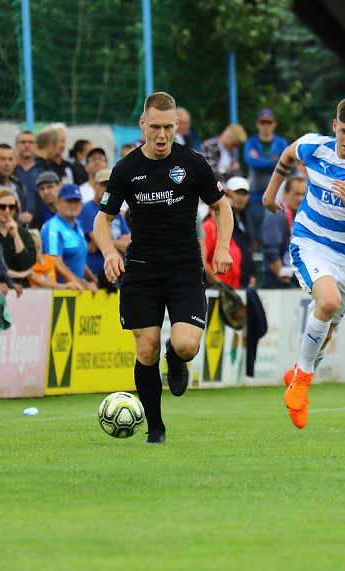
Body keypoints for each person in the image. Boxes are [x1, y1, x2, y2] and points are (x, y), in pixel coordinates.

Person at [93, 91, 233, 444]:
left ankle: (176, 357)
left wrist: (222, 247)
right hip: (142, 269)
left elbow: (223, 207)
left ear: (176, 127)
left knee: (185, 345)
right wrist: (110, 252)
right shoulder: (126, 169)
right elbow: (102, 220)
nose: (161, 135)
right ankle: (155, 428)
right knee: (146, 349)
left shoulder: (193, 162)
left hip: (185, 267)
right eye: (154, 127)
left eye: (168, 127)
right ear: (142, 124)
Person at [262, 96, 345, 429]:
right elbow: (289, 153)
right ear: (334, 126)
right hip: (310, 241)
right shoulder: (314, 147)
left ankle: (297, 375)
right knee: (328, 302)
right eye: (344, 132)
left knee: (328, 330)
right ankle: (304, 379)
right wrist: (270, 191)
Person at [79, 168, 130, 291]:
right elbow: (96, 239)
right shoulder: (88, 208)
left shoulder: (115, 211)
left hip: (116, 271)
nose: (106, 189)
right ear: (95, 186)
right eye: (103, 185)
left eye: (110, 185)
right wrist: (117, 241)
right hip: (95, 273)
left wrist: (105, 241)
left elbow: (129, 243)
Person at [41, 184, 98, 291]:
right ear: (58, 203)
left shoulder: (77, 225)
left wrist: (93, 280)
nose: (73, 205)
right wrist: (81, 284)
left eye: (76, 201)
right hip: (59, 292)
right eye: (69, 201)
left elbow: (78, 260)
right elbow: (55, 261)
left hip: (76, 290)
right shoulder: (53, 227)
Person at [243, 108, 288, 239]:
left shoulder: (282, 142)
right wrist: (274, 162)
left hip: (277, 197)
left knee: (274, 236)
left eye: (269, 122)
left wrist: (261, 161)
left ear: (274, 124)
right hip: (255, 197)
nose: (266, 126)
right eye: (263, 122)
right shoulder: (250, 142)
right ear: (258, 124)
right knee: (253, 236)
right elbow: (252, 162)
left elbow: (286, 165)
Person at [261, 175, 306, 289]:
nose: (300, 199)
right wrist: (281, 273)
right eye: (296, 194)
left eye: (303, 194)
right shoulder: (276, 214)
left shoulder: (301, 216)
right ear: (285, 193)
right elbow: (270, 249)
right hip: (277, 279)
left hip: (296, 276)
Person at [0, 189, 36, 288]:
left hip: (23, 289)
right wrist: (19, 274)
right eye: (2, 207)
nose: (7, 211)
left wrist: (16, 235)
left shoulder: (23, 233)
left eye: (11, 207)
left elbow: (27, 265)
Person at [13, 131, 40, 213]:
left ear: (36, 146)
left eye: (30, 142)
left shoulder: (42, 170)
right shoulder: (9, 170)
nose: (27, 145)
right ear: (16, 145)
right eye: (23, 142)